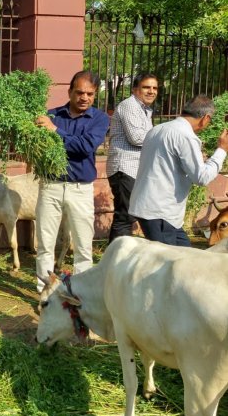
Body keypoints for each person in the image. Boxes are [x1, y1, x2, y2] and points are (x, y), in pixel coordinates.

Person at [34, 70, 110, 293]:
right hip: (50, 186)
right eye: (79, 92)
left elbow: (86, 147)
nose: (84, 97)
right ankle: (45, 292)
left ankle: (81, 292)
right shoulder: (51, 114)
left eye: (90, 93)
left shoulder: (100, 119)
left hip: (80, 189)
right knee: (45, 244)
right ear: (70, 91)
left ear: (95, 95)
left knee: (83, 245)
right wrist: (54, 129)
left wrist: (55, 131)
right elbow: (43, 148)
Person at [129, 95, 228, 246]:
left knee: (187, 259)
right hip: (161, 212)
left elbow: (167, 166)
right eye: (210, 120)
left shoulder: (157, 129)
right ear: (206, 118)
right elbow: (202, 178)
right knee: (167, 264)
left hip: (155, 210)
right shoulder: (186, 136)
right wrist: (222, 149)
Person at [106, 73, 159, 241]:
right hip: (125, 167)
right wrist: (162, 138)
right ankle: (116, 262)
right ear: (135, 89)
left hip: (134, 169)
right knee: (125, 217)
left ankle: (120, 259)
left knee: (129, 215)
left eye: (155, 88)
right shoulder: (129, 106)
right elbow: (136, 138)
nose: (151, 91)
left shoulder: (144, 109)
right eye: (146, 87)